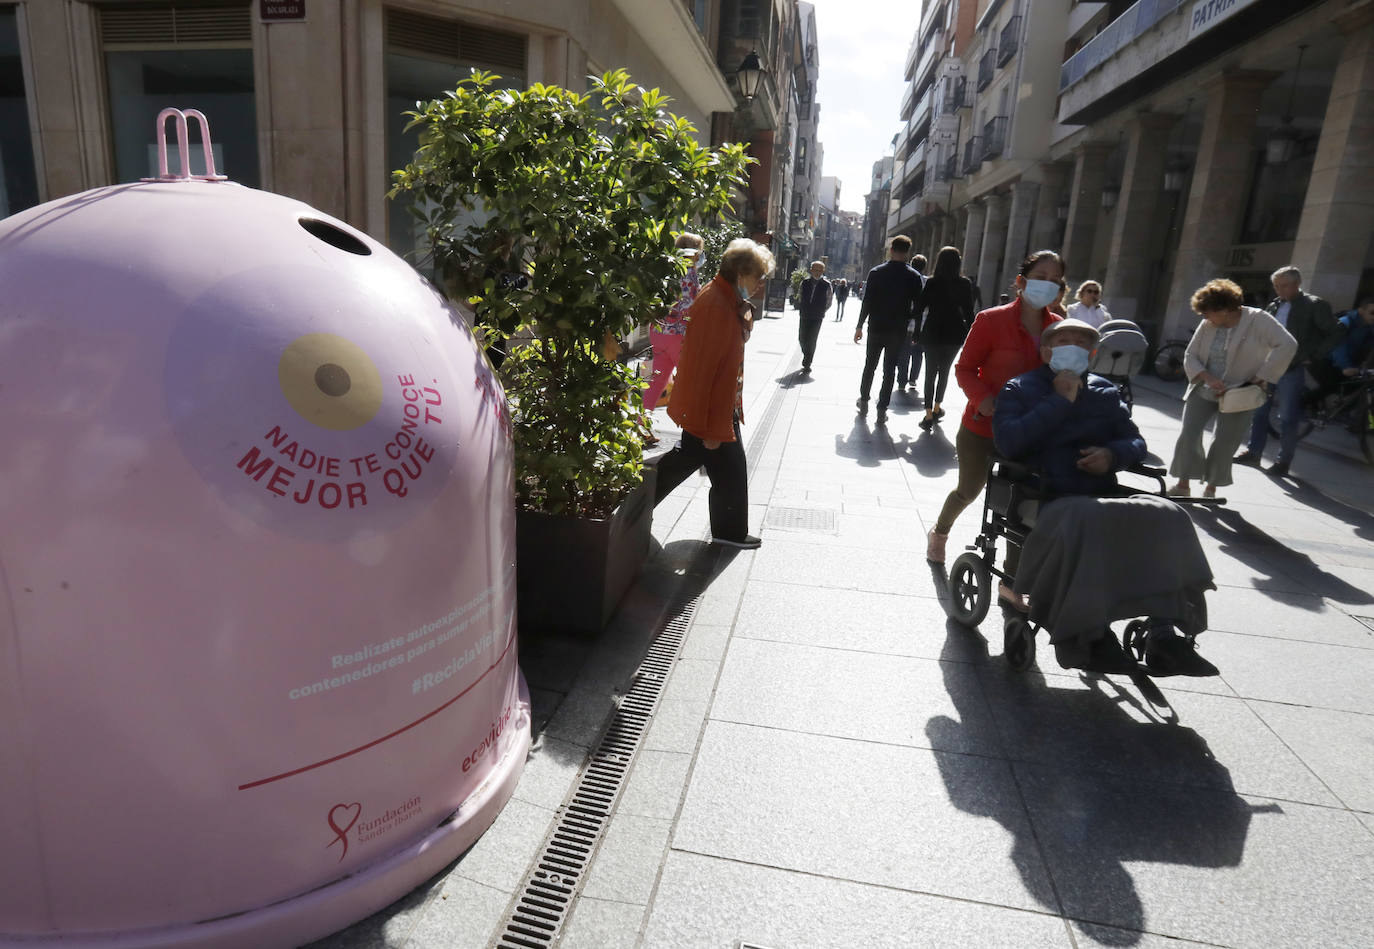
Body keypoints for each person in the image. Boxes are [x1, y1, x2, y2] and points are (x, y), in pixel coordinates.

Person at [994, 319, 1217, 677]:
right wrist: (1059, 401)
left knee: (1169, 513)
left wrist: (1112, 456)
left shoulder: (1105, 392)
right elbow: (1009, 443)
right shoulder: (1020, 388)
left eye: (1082, 343)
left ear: (1093, 353)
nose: (1073, 347)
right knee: (1091, 520)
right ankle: (1091, 635)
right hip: (1048, 493)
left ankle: (1164, 635)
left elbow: (1135, 442)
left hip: (1101, 492)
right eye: (1063, 341)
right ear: (1046, 351)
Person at [925, 249, 1066, 612]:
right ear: (1020, 282)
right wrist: (984, 399)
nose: (1047, 285)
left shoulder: (1059, 325)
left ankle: (1011, 581)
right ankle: (940, 531)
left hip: (1029, 432)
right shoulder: (991, 320)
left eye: (1055, 280)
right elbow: (965, 369)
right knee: (969, 489)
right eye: (1040, 276)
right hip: (983, 426)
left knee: (1020, 507)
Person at [654, 238, 776, 549]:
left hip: (716, 408)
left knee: (710, 466)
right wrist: (710, 427)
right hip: (711, 410)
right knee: (725, 468)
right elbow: (705, 370)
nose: (761, 284)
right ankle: (637, 498)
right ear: (740, 274)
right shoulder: (716, 306)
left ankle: (727, 531)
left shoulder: (723, 298)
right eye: (757, 277)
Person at [1167, 279, 1296, 499]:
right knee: (1189, 434)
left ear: (1225, 310)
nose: (1205, 318)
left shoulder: (1259, 320)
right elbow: (1191, 354)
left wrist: (1262, 376)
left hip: (1241, 391)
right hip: (1204, 387)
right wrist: (1207, 376)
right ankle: (1183, 485)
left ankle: (1211, 488)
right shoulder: (1207, 323)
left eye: (1208, 313)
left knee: (1226, 440)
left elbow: (1288, 344)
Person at [1234, 266, 1344, 477]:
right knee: (1259, 410)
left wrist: (1314, 355)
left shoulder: (1314, 305)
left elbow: (1336, 330)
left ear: (1296, 284)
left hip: (1291, 366)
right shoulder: (1275, 304)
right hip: (1266, 365)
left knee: (1287, 416)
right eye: (1276, 285)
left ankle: (1283, 461)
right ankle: (1254, 451)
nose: (1279, 290)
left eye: (1283, 285)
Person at [854, 236, 924, 425]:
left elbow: (867, 301)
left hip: (876, 327)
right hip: (898, 330)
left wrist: (859, 326)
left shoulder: (876, 272)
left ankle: (865, 400)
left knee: (870, 366)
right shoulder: (914, 276)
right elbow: (918, 307)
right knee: (890, 370)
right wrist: (915, 329)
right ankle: (882, 409)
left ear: (891, 249)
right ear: (907, 252)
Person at [914, 246, 976, 431]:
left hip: (932, 332)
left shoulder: (932, 283)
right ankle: (937, 407)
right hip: (954, 333)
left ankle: (927, 414)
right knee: (944, 372)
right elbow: (969, 313)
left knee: (930, 373)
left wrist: (916, 330)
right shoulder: (964, 284)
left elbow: (919, 308)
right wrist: (972, 335)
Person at [642, 232, 703, 418]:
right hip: (679, 336)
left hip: (659, 332)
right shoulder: (690, 273)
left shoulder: (665, 269)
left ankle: (641, 426)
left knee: (656, 383)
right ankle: (690, 427)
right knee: (691, 382)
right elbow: (694, 303)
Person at [796, 260, 833, 373]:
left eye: (819, 270)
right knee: (802, 338)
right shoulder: (805, 283)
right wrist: (802, 307)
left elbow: (829, 301)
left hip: (817, 316)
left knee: (812, 339)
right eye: (815, 270)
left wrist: (821, 310)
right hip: (805, 314)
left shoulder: (827, 285)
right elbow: (800, 296)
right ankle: (807, 354)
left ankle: (807, 362)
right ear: (811, 270)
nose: (817, 272)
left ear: (823, 271)